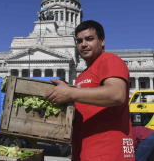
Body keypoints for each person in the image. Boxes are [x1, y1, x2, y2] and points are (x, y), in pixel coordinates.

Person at [44, 20, 135, 160]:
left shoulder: (110, 60)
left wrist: (70, 92)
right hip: (85, 152)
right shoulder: (82, 75)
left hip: (108, 152)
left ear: (102, 41)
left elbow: (117, 94)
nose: (84, 44)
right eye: (79, 41)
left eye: (89, 39)